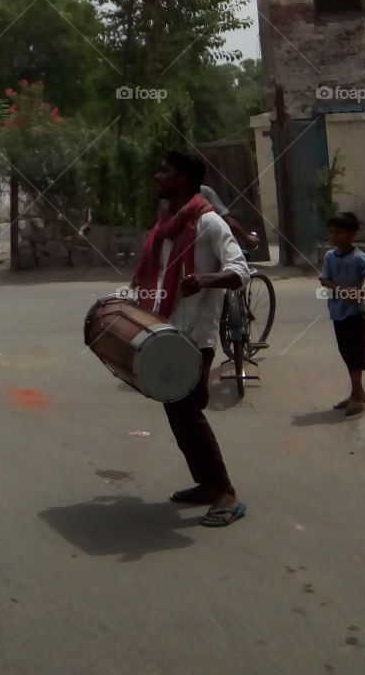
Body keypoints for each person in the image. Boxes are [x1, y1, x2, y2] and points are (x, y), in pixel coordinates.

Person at [130, 151, 249, 527]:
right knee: (179, 411)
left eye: (164, 170)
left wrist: (205, 279)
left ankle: (225, 493)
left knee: (186, 412)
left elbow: (240, 270)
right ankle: (208, 485)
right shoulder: (167, 226)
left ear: (183, 178)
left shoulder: (210, 223)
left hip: (197, 334)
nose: (157, 176)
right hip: (168, 331)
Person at [319, 212, 365, 416]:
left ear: (351, 234)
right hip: (337, 311)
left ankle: (357, 396)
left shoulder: (359, 257)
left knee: (356, 353)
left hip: (354, 312)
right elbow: (324, 279)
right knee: (346, 352)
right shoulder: (330, 256)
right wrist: (339, 289)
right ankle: (357, 393)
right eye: (332, 232)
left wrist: (361, 293)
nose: (334, 236)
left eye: (339, 232)